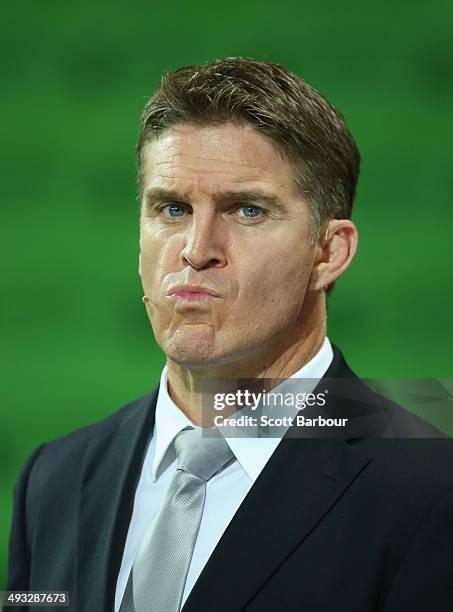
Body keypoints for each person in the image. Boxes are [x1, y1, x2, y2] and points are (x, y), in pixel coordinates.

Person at [6, 57, 453, 612]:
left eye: (246, 210)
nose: (196, 249)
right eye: (171, 208)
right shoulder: (53, 479)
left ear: (328, 251)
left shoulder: (432, 490)